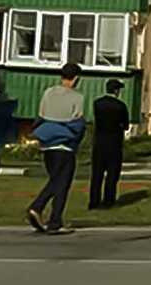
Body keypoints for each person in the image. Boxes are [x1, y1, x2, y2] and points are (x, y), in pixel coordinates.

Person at [26, 63, 86, 234]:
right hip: (64, 146)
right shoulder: (77, 97)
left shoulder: (48, 92)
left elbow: (42, 115)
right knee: (62, 182)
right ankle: (38, 208)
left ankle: (55, 220)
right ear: (76, 78)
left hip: (47, 144)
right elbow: (77, 120)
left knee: (56, 181)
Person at [88, 78, 131, 210]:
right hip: (114, 143)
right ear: (116, 91)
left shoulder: (97, 104)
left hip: (99, 142)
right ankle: (109, 200)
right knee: (112, 174)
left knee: (97, 174)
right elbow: (126, 125)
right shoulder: (120, 106)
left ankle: (94, 201)